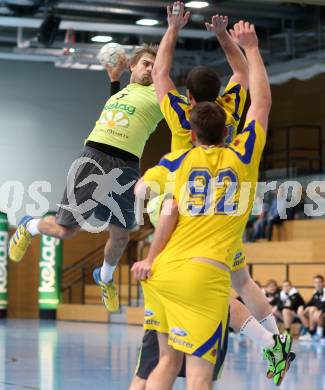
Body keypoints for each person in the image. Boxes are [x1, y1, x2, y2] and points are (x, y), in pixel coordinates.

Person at [132, 6, 290, 388]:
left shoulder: (181, 124)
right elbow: (246, 80)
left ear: (189, 97)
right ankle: (275, 342)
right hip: (227, 209)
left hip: (187, 209)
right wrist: (229, 39)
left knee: (206, 294)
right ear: (219, 99)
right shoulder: (232, 109)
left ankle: (272, 342)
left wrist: (172, 28)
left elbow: (161, 74)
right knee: (240, 281)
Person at [8, 44, 163, 313]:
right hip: (94, 157)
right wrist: (114, 80)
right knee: (66, 231)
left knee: (122, 236)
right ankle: (29, 225)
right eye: (146, 63)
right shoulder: (120, 91)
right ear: (133, 67)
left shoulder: (161, 95)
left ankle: (104, 278)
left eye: (154, 65)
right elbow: (119, 108)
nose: (150, 69)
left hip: (127, 166)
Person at [129, 197, 295, 390]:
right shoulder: (220, 221)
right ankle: (274, 343)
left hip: (180, 262)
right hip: (210, 238)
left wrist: (150, 258)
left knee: (154, 373)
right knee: (195, 375)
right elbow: (243, 285)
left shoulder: (174, 182)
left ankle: (274, 343)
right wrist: (273, 340)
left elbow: (170, 206)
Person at [298, 275, 325, 341]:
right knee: (300, 310)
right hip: (319, 311)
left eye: (319, 282)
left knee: (312, 309)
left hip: (322, 311)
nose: (317, 284)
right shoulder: (316, 292)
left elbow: (323, 304)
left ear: (323, 283)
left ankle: (317, 333)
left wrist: (320, 310)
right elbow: (310, 302)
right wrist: (303, 307)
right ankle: (309, 332)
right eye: (315, 282)